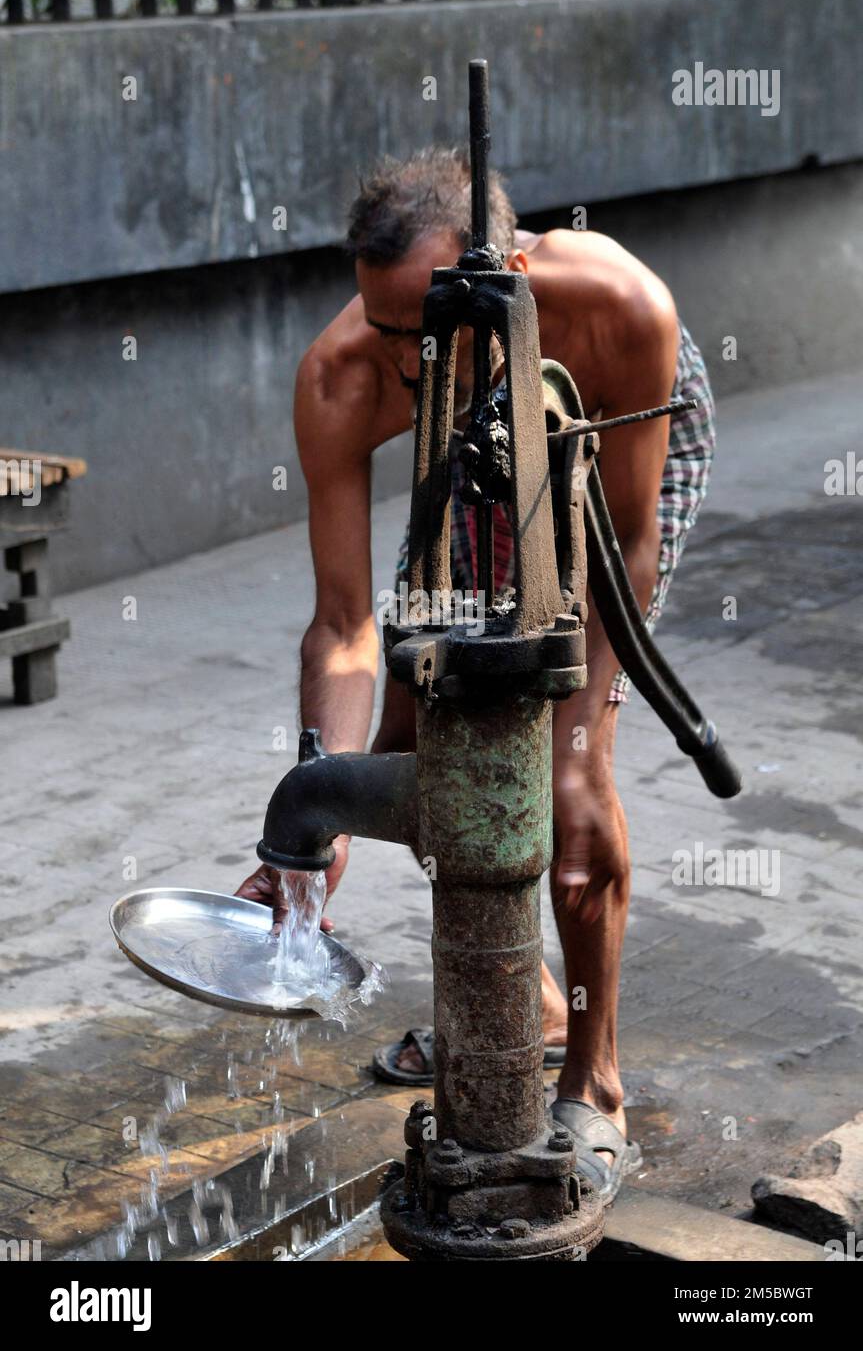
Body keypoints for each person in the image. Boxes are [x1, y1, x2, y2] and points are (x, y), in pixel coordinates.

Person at [237, 147, 716, 1204]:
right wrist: (329, 789)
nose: (403, 362)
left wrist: (584, 737)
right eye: (382, 329)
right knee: (423, 744)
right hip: (458, 467)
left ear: (513, 271)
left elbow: (621, 556)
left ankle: (594, 1079)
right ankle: (524, 1005)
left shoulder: (619, 306)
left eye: (428, 330)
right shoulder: (344, 375)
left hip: (606, 444)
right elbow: (345, 623)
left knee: (560, 786)